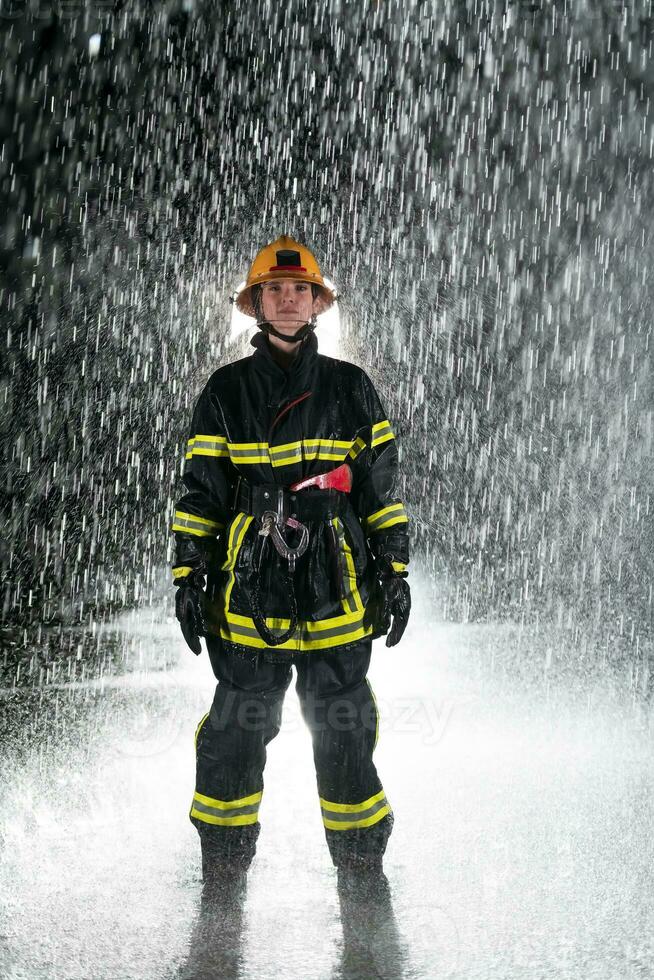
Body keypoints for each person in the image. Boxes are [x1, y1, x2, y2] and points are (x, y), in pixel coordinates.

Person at [171, 235, 411, 895]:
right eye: (273, 290)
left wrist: (394, 571)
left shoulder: (350, 387)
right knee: (236, 730)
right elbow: (202, 492)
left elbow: (378, 492)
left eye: (298, 289)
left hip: (335, 574)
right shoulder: (225, 391)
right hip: (250, 580)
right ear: (255, 303)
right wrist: (189, 575)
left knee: (342, 726)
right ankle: (223, 869)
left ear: (316, 303)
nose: (286, 299)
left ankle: (361, 869)